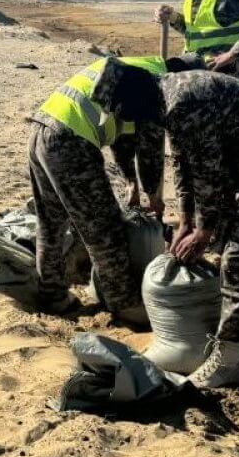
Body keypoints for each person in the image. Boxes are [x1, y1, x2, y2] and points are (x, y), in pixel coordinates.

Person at [92, 66, 239, 388]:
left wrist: (202, 231)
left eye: (129, 115)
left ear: (136, 101)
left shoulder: (183, 104)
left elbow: (208, 175)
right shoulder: (169, 96)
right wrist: (184, 221)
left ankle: (230, 361)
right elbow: (183, 164)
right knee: (227, 248)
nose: (134, 124)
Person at [29, 55, 191, 323]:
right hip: (71, 140)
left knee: (50, 221)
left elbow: (121, 135)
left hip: (42, 127)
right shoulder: (157, 86)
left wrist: (130, 182)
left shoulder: (136, 67)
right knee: (105, 231)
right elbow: (149, 147)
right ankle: (125, 304)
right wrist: (153, 195)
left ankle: (52, 294)